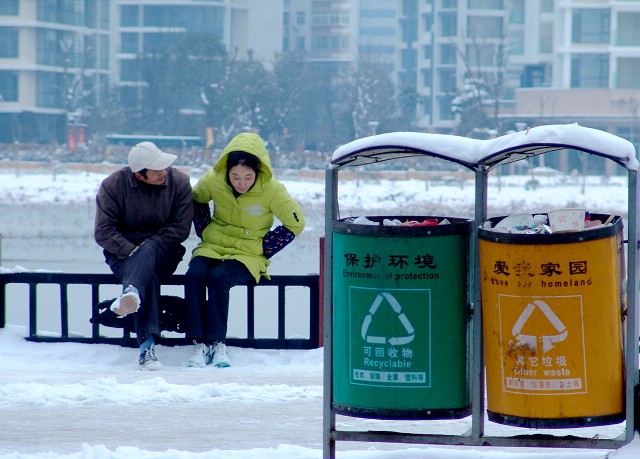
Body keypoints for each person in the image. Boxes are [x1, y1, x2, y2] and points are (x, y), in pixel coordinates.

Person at [185, 132, 305, 368]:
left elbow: (296, 222)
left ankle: (217, 344)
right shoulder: (213, 179)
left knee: (219, 278)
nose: (241, 183)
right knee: (195, 275)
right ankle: (199, 343)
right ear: (226, 170)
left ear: (258, 171)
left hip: (248, 253)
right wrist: (203, 228)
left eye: (248, 177)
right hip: (213, 245)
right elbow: (197, 198)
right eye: (236, 176)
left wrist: (265, 247)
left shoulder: (272, 189)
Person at [94, 141, 193, 370]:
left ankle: (131, 293)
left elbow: (180, 228)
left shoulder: (179, 182)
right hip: (123, 254)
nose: (163, 173)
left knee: (149, 251)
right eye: (156, 170)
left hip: (164, 251)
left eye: (164, 167)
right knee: (148, 276)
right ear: (139, 175)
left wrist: (147, 248)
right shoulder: (113, 185)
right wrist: (133, 251)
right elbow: (103, 231)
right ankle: (146, 349)